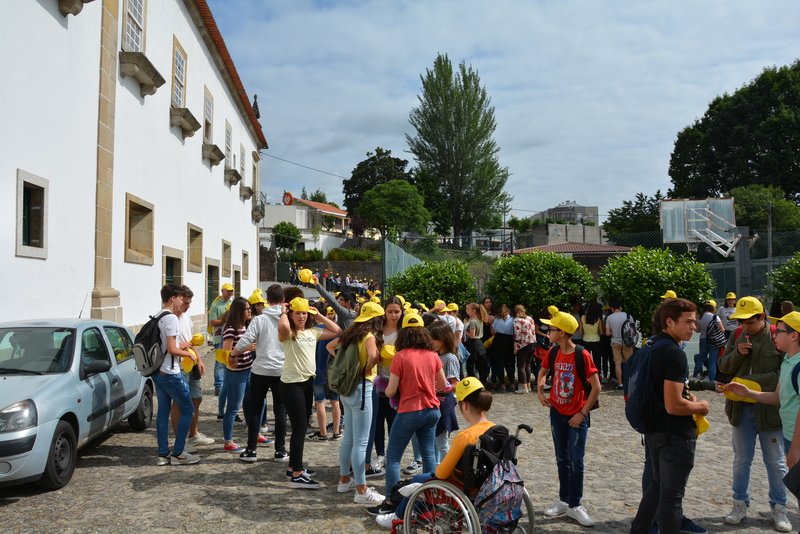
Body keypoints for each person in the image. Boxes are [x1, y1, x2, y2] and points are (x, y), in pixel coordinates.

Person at [629, 298, 711, 534]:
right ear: (669, 322)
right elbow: (674, 405)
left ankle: (639, 530)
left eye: (694, 322)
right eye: (689, 322)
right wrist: (701, 406)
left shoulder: (651, 345)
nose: (693, 327)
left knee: (656, 486)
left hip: (653, 428)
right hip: (674, 433)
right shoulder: (674, 353)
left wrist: (687, 399)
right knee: (672, 496)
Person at [375, 378, 494, 529]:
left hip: (466, 485)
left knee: (420, 478)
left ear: (464, 406)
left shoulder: (466, 436)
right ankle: (416, 512)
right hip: (489, 483)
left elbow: (442, 472)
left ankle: (399, 516)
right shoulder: (498, 431)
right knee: (424, 479)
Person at [723, 310, 800, 533]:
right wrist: (747, 390)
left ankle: (779, 507)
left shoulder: (792, 360)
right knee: (742, 459)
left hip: (774, 420)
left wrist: (794, 448)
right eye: (741, 321)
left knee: (776, 464)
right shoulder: (787, 358)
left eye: (750, 321)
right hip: (744, 410)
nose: (745, 325)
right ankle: (740, 503)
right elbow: (777, 394)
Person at [373, 313, 447, 516]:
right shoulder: (433, 355)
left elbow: (390, 391)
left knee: (394, 456)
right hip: (432, 410)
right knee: (429, 454)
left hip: (410, 410)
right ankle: (430, 498)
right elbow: (443, 384)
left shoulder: (401, 356)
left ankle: (390, 500)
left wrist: (385, 385)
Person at [537, 306, 601, 527]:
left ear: (561, 333)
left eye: (550, 328)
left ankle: (575, 504)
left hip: (576, 416)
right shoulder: (553, 352)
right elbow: (543, 371)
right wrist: (539, 390)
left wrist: (582, 414)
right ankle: (564, 500)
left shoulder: (581, 354)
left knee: (576, 461)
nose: (548, 331)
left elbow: (596, 387)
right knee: (562, 458)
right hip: (557, 413)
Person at [278, 297, 341, 489]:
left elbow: (337, 331)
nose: (302, 316)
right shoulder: (289, 333)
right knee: (299, 428)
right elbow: (282, 328)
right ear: (291, 314)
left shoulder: (313, 332)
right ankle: (297, 473)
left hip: (307, 382)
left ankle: (293, 467)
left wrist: (319, 315)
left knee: (302, 426)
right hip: (291, 384)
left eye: (304, 313)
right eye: (297, 313)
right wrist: (282, 312)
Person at [328, 301, 385, 505]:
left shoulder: (350, 333)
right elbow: (374, 356)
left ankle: (345, 480)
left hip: (347, 390)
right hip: (362, 388)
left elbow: (330, 346)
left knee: (349, 439)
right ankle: (361, 490)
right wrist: (366, 369)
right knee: (361, 441)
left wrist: (348, 367)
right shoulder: (368, 336)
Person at [232, 284, 289, 462]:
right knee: (280, 411)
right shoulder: (287, 320)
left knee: (255, 409)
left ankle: (251, 450)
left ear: (266, 300)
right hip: (281, 370)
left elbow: (246, 339)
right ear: (283, 301)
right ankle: (280, 450)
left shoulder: (259, 319)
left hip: (261, 369)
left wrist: (234, 353)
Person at [153, 284, 201, 466]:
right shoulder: (171, 318)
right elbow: (172, 349)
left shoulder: (158, 316)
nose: (183, 302)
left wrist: (179, 345)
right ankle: (179, 452)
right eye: (181, 298)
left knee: (163, 412)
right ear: (173, 298)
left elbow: (166, 345)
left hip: (157, 371)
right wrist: (189, 354)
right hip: (170, 372)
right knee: (188, 409)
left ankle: (163, 454)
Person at [170, 286, 214, 450]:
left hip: (192, 361)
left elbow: (191, 341)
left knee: (197, 397)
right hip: (179, 363)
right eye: (186, 303)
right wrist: (179, 344)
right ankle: (179, 440)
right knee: (180, 402)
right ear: (178, 298)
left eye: (190, 303)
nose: (188, 306)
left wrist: (200, 360)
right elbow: (166, 343)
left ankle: (194, 434)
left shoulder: (186, 316)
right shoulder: (169, 318)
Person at [219, 297, 256, 453]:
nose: (250, 311)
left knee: (255, 402)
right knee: (233, 408)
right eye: (247, 309)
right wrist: (248, 348)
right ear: (239, 311)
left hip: (248, 370)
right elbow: (226, 354)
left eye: (250, 308)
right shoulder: (231, 329)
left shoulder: (246, 327)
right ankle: (228, 442)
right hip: (236, 374)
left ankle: (256, 432)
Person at [427, 320, 461, 462]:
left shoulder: (450, 358)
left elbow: (455, 385)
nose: (431, 342)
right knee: (434, 441)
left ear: (443, 338)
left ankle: (444, 472)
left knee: (441, 443)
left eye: (433, 339)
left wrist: (432, 385)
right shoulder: (436, 354)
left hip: (444, 402)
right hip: (435, 401)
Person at [208, 283, 234, 396]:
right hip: (219, 338)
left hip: (230, 337)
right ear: (222, 291)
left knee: (228, 362)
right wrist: (226, 320)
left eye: (232, 290)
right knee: (219, 363)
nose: (230, 292)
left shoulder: (232, 303)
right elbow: (212, 322)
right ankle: (218, 386)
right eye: (228, 290)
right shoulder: (216, 305)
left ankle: (227, 385)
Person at [605, 299, 634, 390]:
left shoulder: (609, 318)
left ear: (612, 308)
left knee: (618, 364)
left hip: (615, 342)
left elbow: (607, 333)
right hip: (627, 342)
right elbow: (633, 330)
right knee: (630, 362)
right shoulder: (628, 316)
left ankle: (620, 383)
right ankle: (630, 382)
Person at [694, 300, 723, 381]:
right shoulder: (715, 317)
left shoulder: (700, 317)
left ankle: (694, 376)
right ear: (713, 308)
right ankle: (711, 379)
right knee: (712, 360)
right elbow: (722, 329)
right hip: (713, 340)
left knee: (700, 359)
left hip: (703, 339)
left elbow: (698, 330)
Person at [490, 303, 516, 392]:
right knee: (509, 364)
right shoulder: (512, 319)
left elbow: (493, 332)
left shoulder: (496, 319)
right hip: (509, 341)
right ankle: (512, 383)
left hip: (499, 340)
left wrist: (491, 324)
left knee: (500, 364)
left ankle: (502, 385)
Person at [513, 304, 537, 394]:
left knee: (521, 366)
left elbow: (517, 334)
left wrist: (515, 345)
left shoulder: (517, 320)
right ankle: (528, 386)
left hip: (524, 345)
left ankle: (523, 387)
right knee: (527, 365)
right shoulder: (530, 318)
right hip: (533, 343)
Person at [580, 302, 606, 384]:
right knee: (597, 360)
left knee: (585, 360)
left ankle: (585, 376)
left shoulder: (583, 318)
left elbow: (580, 332)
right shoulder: (598, 319)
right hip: (596, 340)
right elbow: (601, 331)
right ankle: (597, 377)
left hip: (585, 339)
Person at [464, 302, 489, 383]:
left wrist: (464, 330)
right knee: (481, 367)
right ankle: (483, 383)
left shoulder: (473, 322)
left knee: (470, 366)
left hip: (474, 344)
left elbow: (472, 335)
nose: (467, 312)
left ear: (474, 311)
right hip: (480, 344)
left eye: (469, 310)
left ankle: (473, 384)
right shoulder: (480, 320)